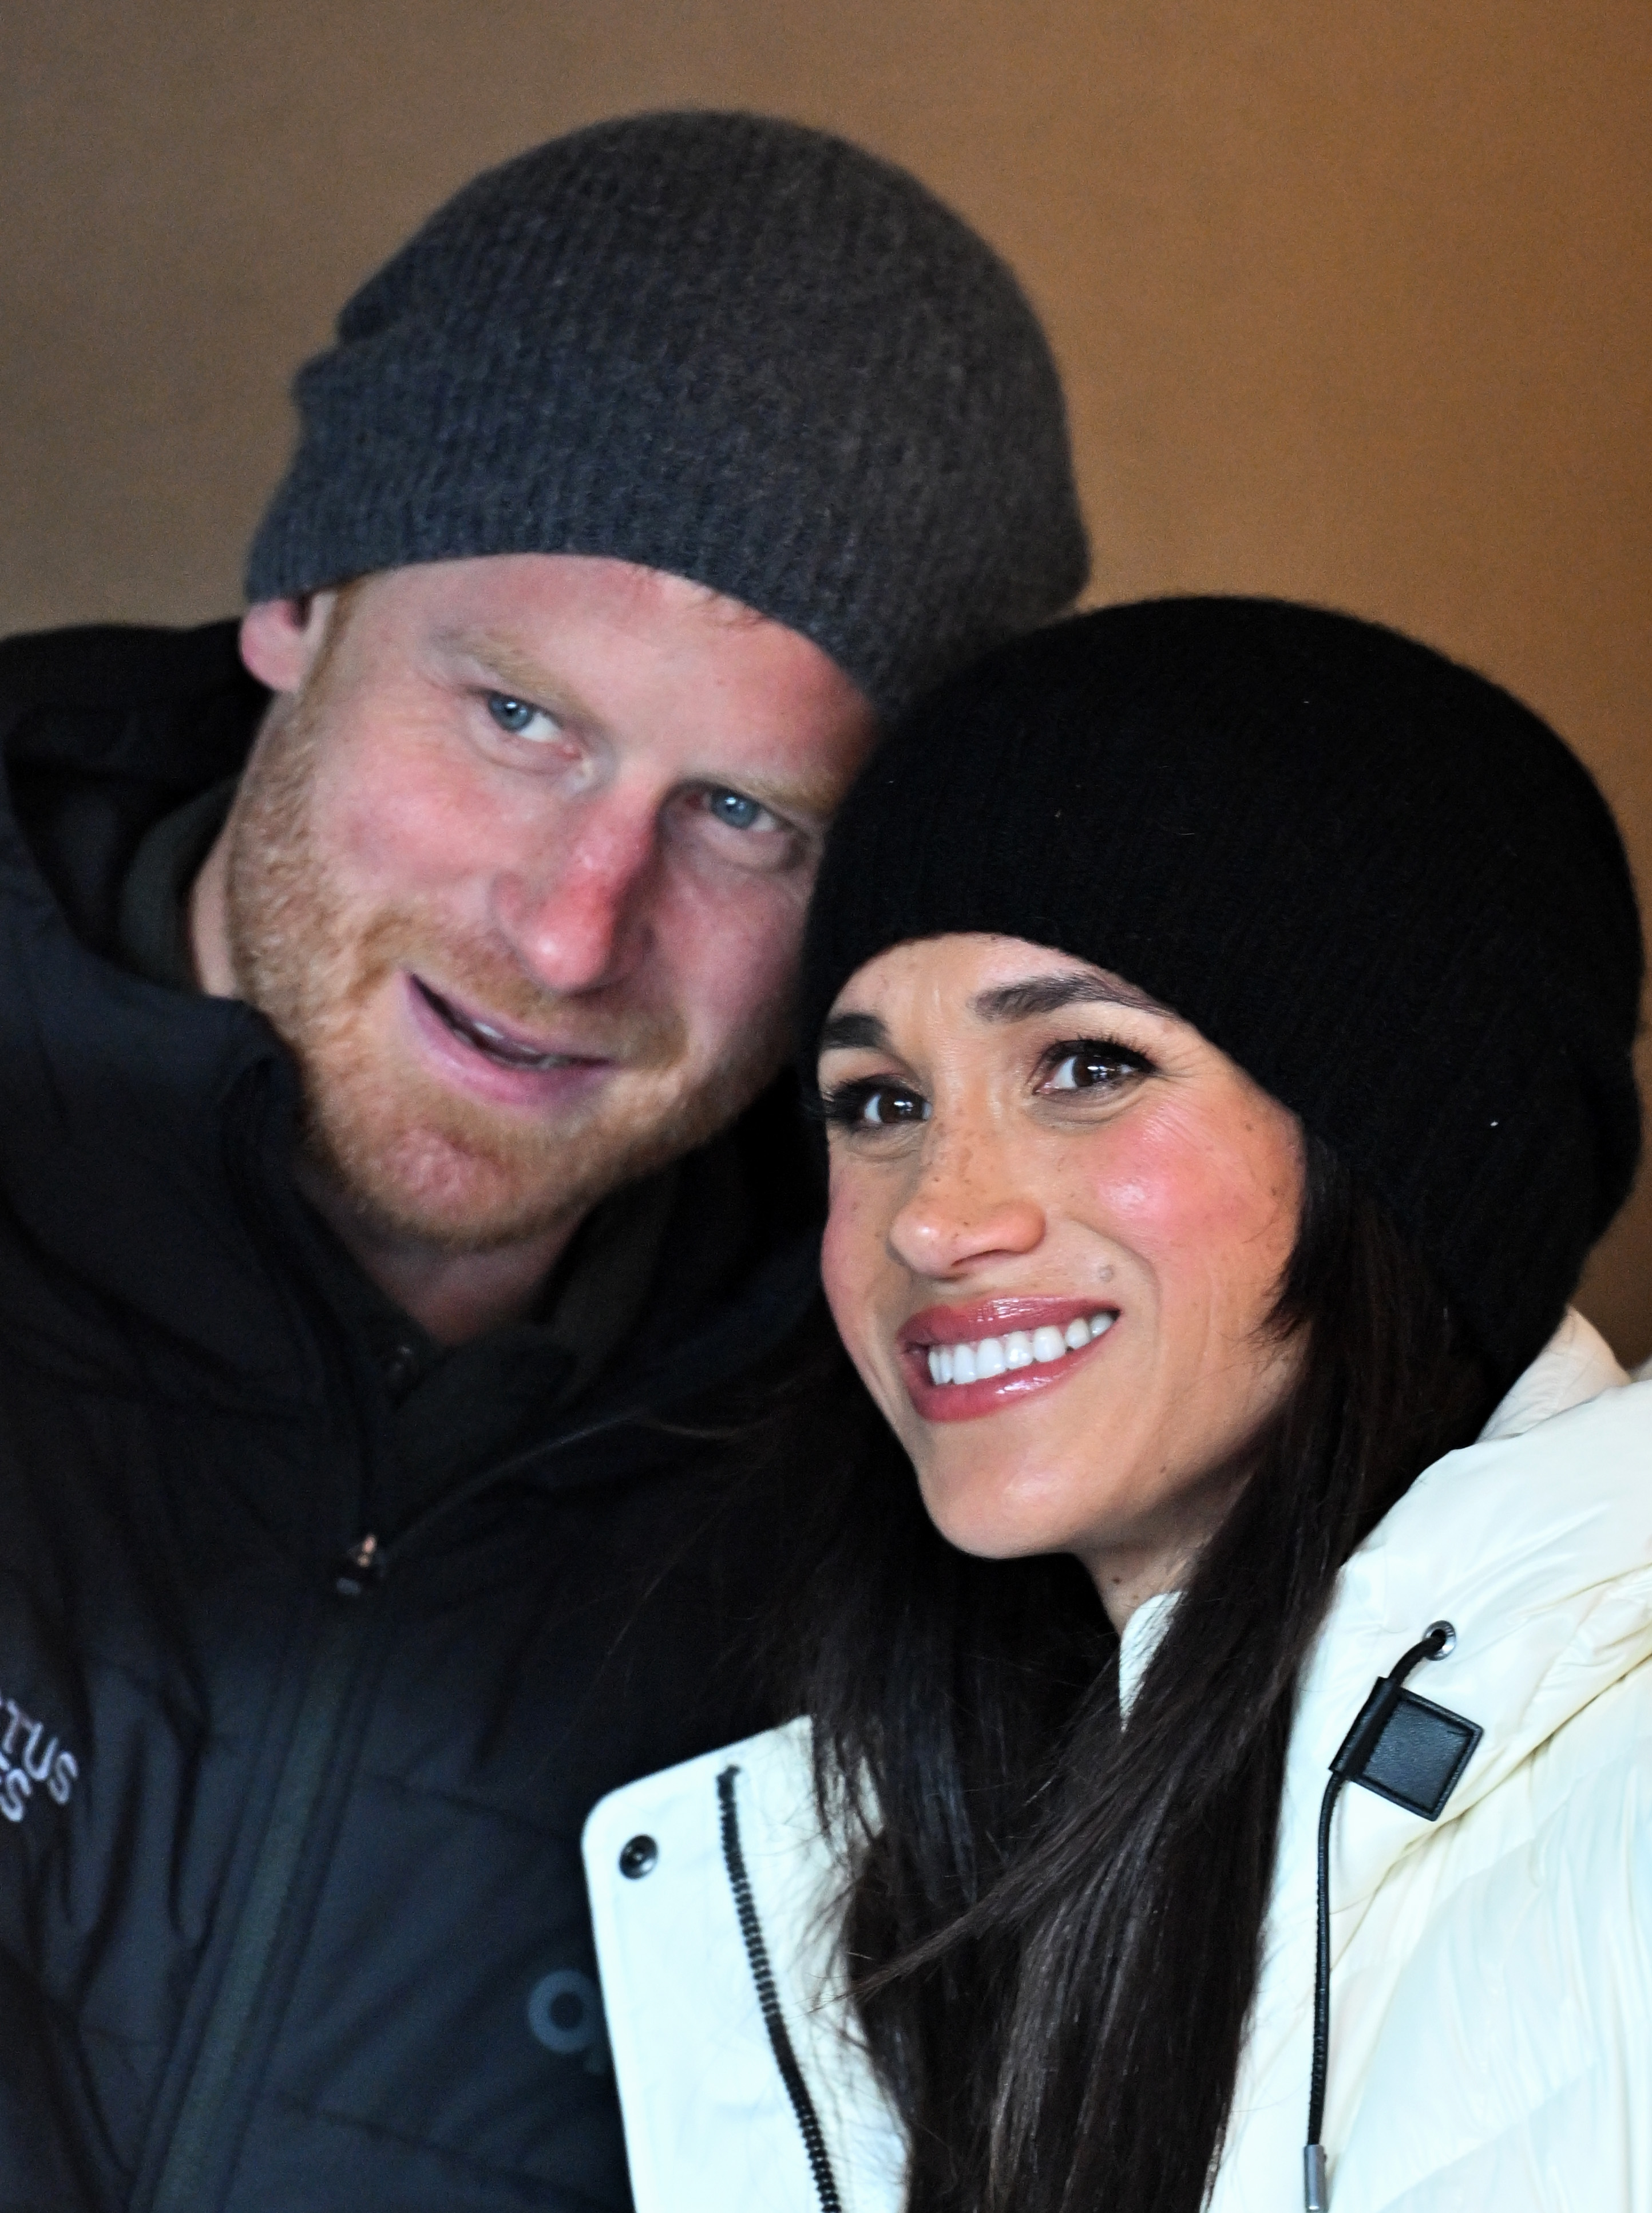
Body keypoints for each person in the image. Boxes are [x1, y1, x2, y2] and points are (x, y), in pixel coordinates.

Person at [0, 112, 1087, 2209]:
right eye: (517, 719)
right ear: (299, 597)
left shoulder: (933, 1512)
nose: (576, 925)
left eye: (747, 816)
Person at [585, 596, 1652, 2213]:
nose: (935, 1215)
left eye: (1085, 1066)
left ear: (1415, 1151)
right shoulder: (891, 1873)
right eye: (878, 1102)